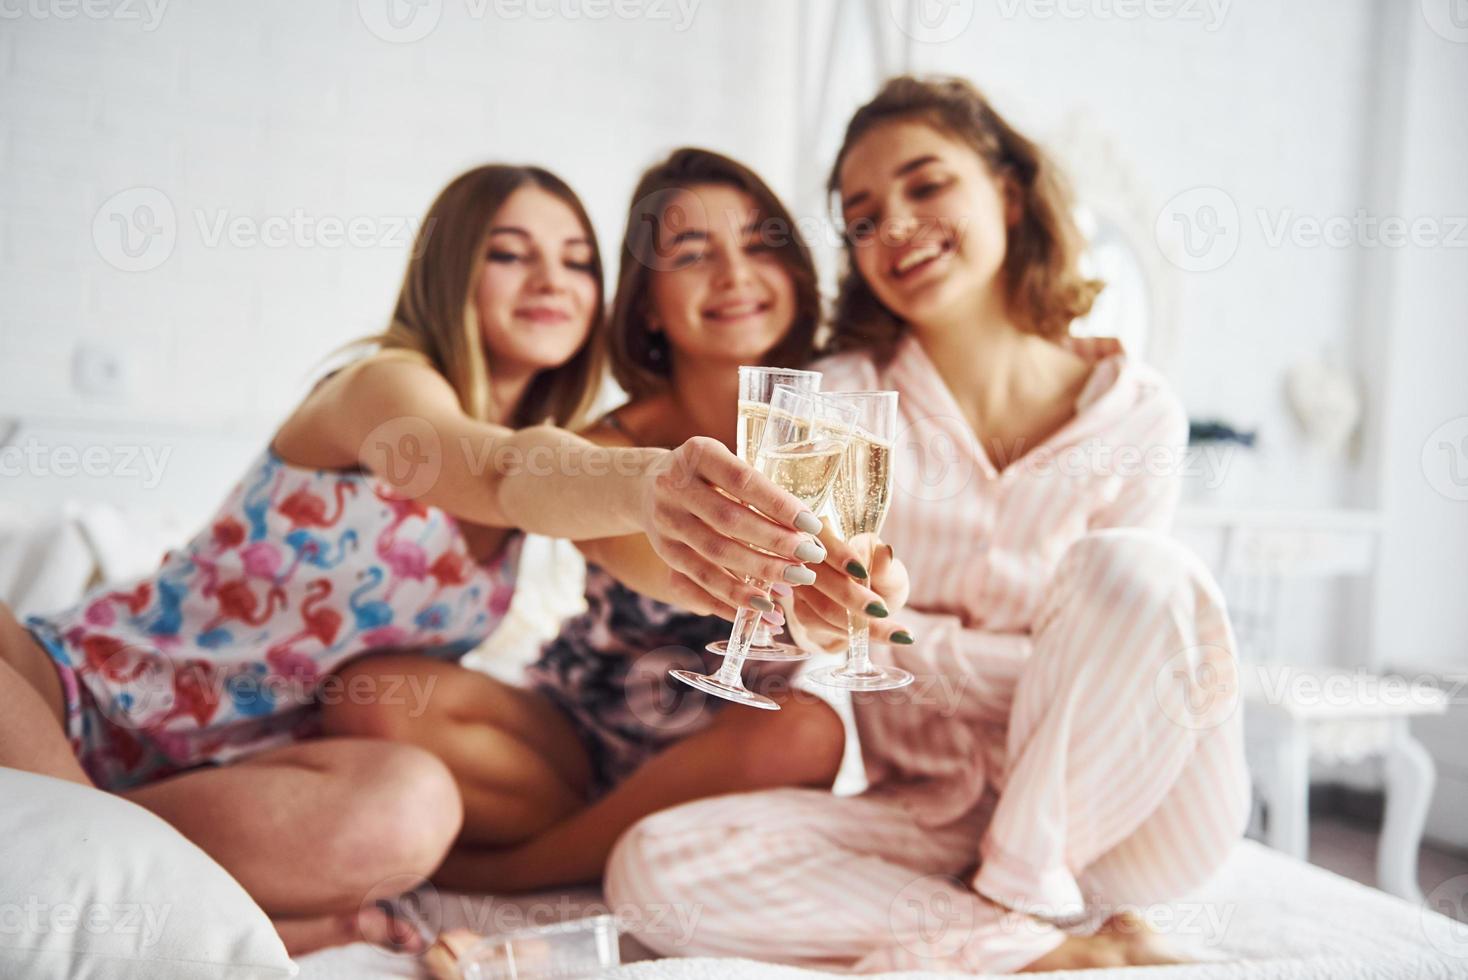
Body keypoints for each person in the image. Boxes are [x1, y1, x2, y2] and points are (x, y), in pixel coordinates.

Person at [0, 164, 831, 956]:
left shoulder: (561, 472)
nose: (551, 280)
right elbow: (497, 469)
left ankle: (102, 840)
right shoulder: (382, 389)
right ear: (449, 271)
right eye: (510, 253)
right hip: (66, 692)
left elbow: (637, 555)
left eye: (577, 262)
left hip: (232, 779)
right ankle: (120, 858)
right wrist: (652, 478)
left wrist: (742, 566)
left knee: (414, 805)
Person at [604, 76, 1250, 974]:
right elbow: (827, 630)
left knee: (1138, 570)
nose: (895, 226)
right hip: (934, 813)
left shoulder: (1140, 415)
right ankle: (1032, 948)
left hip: (1128, 818)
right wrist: (1035, 661)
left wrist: (924, 642)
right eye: (862, 216)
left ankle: (1012, 900)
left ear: (1008, 192)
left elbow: (1136, 654)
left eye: (926, 185)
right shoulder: (834, 402)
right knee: (651, 868)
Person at [328, 149, 915, 911]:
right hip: (571, 737)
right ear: (645, 304)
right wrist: (722, 554)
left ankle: (509, 870)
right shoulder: (609, 448)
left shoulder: (834, 429)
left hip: (726, 746)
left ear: (797, 275)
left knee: (811, 733)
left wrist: (849, 601)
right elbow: (648, 554)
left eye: (759, 245)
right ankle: (607, 838)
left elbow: (835, 591)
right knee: (369, 699)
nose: (734, 275)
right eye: (694, 255)